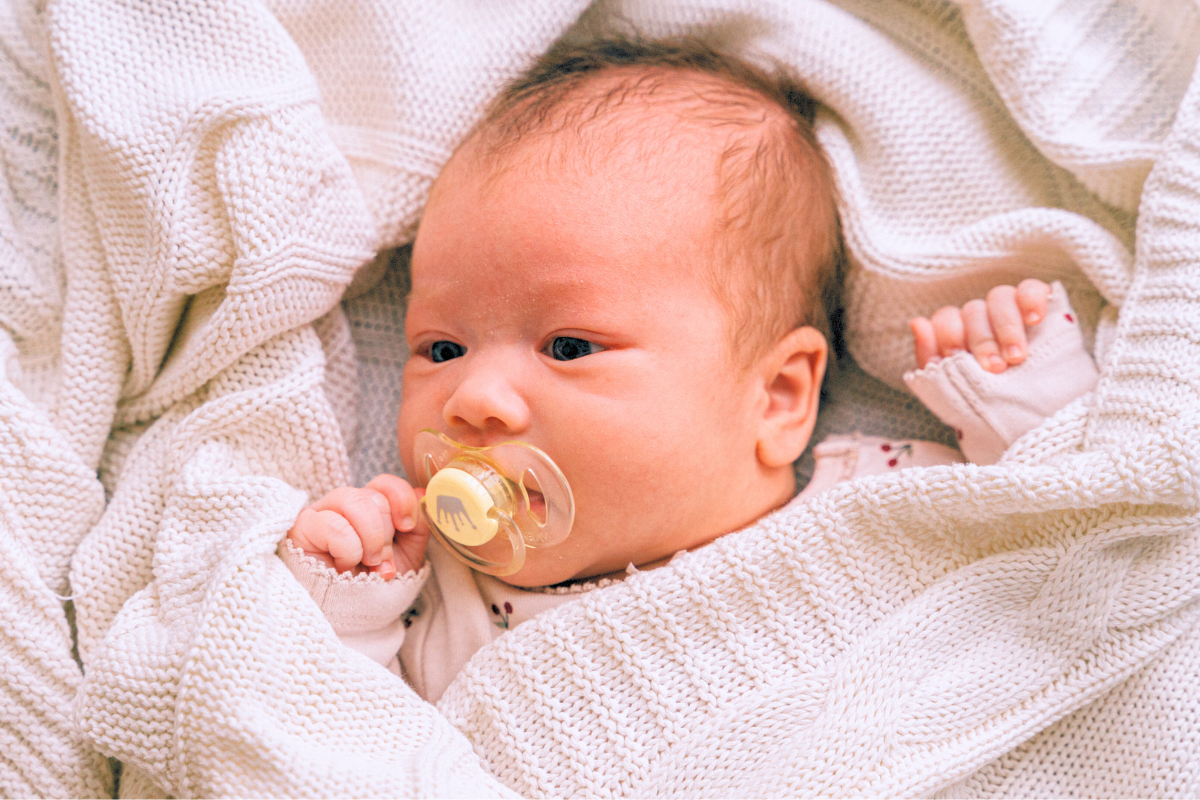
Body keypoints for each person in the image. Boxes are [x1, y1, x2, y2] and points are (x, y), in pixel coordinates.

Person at [279, 36, 1098, 702]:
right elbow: (342, 738)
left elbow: (1082, 556)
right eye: (441, 349)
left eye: (568, 347)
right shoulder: (439, 598)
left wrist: (1029, 403)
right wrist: (345, 603)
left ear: (777, 397)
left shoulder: (884, 503)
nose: (472, 399)